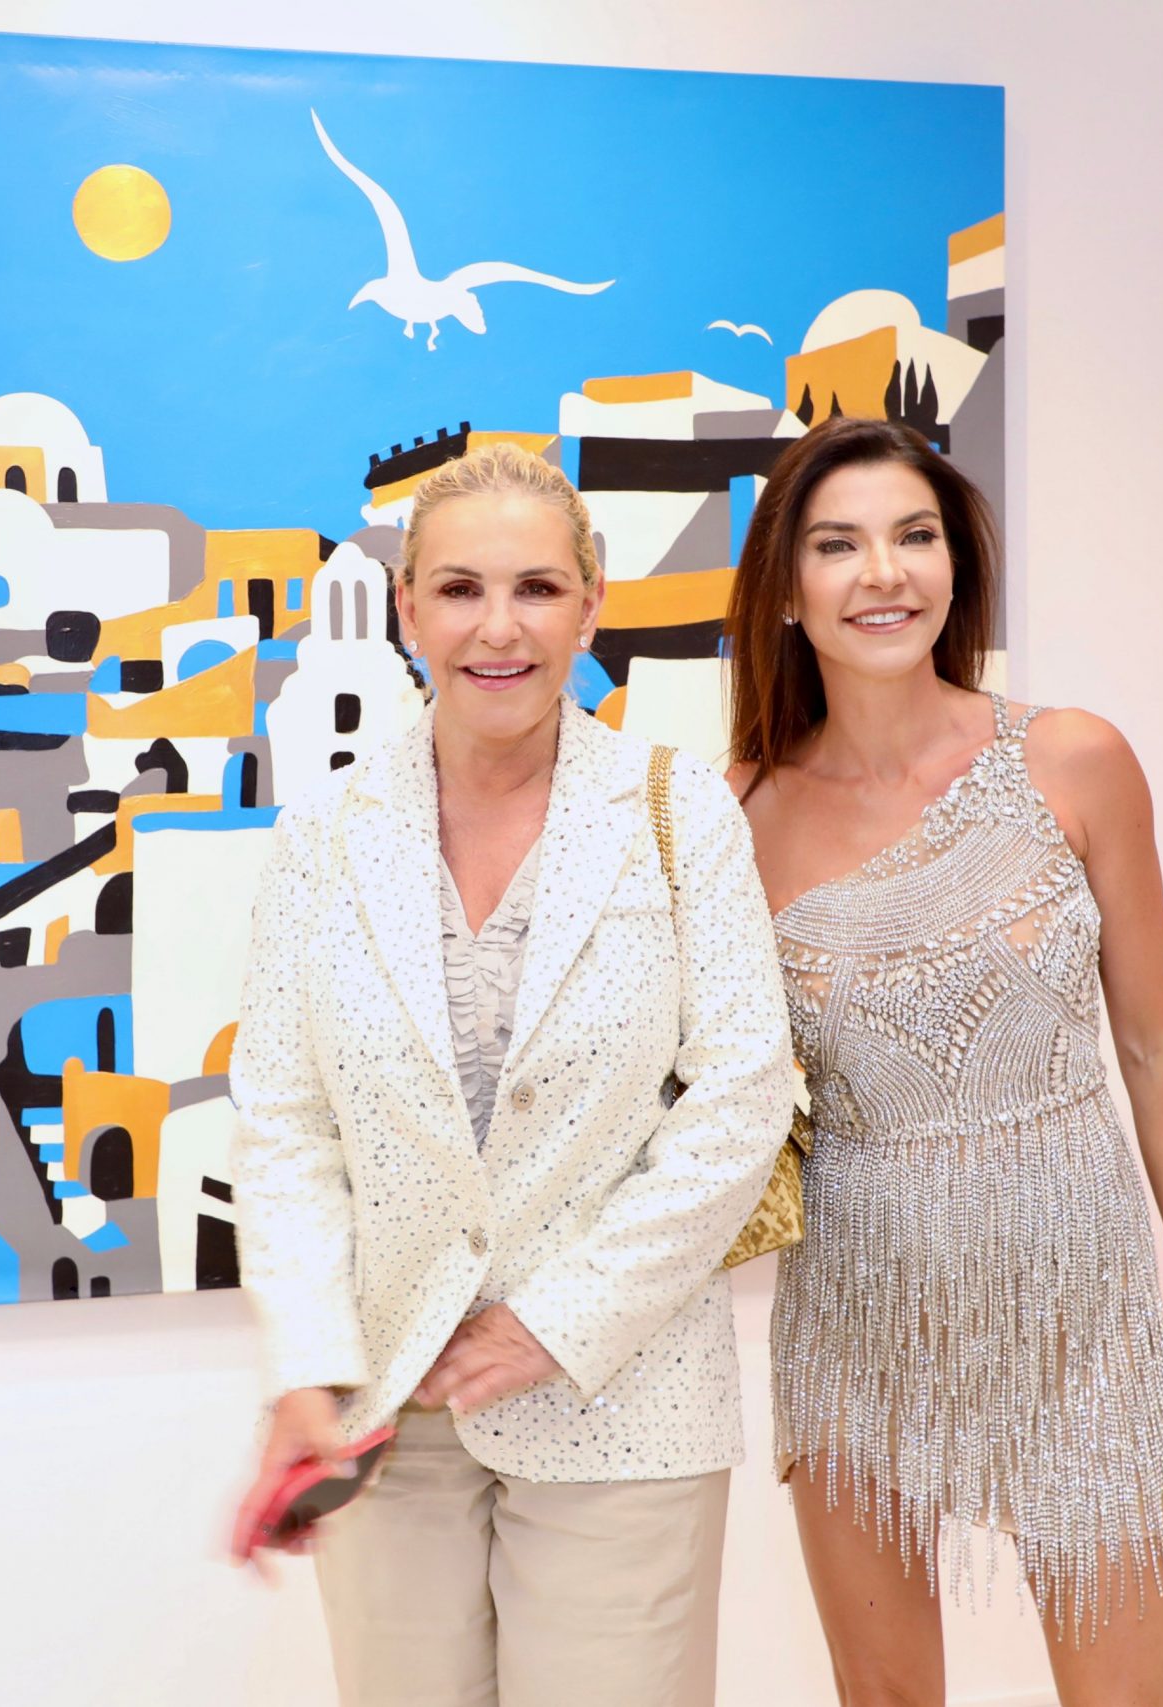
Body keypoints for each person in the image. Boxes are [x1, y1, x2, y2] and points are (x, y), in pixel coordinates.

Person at [228, 442, 797, 1707]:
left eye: (537, 588)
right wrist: (308, 1361)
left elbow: (739, 1102)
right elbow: (283, 1126)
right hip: (391, 1405)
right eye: (460, 589)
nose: (499, 628)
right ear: (406, 609)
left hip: (624, 1396)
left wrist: (555, 1324)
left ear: (591, 605)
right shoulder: (322, 837)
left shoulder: (677, 813)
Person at [726, 417, 1163, 1706]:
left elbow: (1153, 1040)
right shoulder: (737, 812)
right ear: (785, 591)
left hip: (1077, 1308)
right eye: (836, 546)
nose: (882, 573)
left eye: (914, 536)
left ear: (956, 566)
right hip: (854, 1313)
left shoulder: (1071, 760)